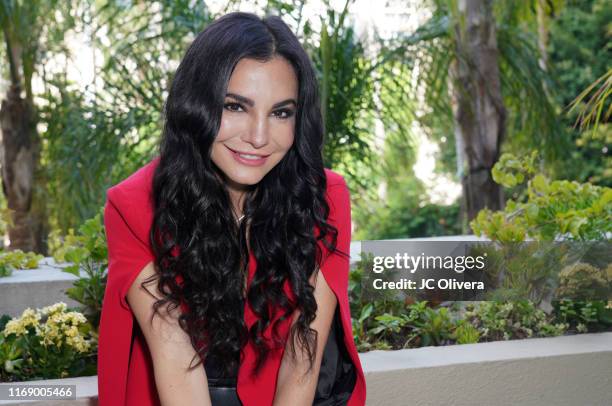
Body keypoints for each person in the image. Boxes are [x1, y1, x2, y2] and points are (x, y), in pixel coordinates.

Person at [97, 11, 366, 406]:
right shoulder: (134, 206)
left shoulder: (323, 198)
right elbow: (175, 358)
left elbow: (302, 357)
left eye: (281, 113)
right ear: (198, 106)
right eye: (235, 107)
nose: (258, 137)